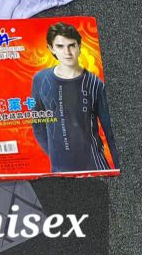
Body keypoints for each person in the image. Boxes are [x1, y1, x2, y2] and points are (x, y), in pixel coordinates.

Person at [31, 22, 119, 172]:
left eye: (71, 45)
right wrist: (56, 155)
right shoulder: (41, 79)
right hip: (59, 169)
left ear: (79, 46)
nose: (67, 52)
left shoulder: (95, 84)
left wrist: (120, 168)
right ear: (51, 48)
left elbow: (110, 132)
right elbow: (37, 123)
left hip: (94, 166)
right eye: (60, 46)